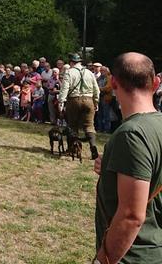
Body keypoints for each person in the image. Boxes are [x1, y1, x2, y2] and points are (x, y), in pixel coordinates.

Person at [93, 53, 162, 264]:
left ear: (113, 82)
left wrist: (103, 259)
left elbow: (131, 216)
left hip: (133, 255)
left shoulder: (132, 134)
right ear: (156, 82)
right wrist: (114, 164)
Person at [59, 53, 101, 159]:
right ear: (80, 62)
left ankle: (72, 149)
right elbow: (96, 90)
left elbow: (64, 89)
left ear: (71, 62)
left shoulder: (69, 72)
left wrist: (61, 102)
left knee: (72, 126)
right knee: (89, 126)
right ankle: (93, 148)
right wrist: (96, 102)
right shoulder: (89, 73)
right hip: (88, 100)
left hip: (74, 100)